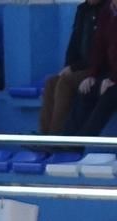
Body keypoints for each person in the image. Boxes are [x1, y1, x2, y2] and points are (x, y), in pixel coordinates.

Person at [40, 0, 103, 135]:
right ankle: (44, 137)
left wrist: (74, 68)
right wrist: (68, 66)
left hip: (99, 69)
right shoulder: (83, 10)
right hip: (81, 67)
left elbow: (100, 53)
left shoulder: (107, 11)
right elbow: (74, 42)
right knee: (51, 82)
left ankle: (57, 138)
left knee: (65, 82)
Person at [69, 0, 117, 137]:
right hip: (112, 75)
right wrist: (92, 75)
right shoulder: (107, 11)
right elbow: (98, 47)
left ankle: (83, 142)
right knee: (86, 89)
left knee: (109, 94)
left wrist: (113, 79)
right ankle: (65, 142)